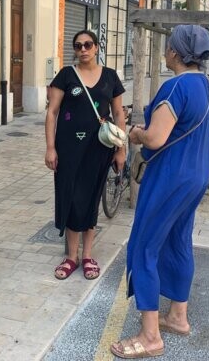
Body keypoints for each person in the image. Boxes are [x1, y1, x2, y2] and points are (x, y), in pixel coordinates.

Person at [110, 25, 209, 359]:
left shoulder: (176, 88)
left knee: (144, 247)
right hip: (196, 176)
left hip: (170, 177)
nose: (166, 50)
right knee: (179, 241)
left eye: (168, 46)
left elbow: (157, 138)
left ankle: (150, 336)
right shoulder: (208, 87)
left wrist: (137, 134)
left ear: (175, 52)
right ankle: (177, 317)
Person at [45, 30, 126, 281]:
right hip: (68, 149)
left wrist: (121, 149)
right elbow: (52, 113)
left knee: (90, 199)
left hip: (99, 149)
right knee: (70, 196)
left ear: (97, 47)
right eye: (78, 46)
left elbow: (119, 113)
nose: (83, 49)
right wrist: (50, 147)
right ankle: (71, 256)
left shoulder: (111, 76)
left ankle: (88, 255)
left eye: (88, 45)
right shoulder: (66, 76)